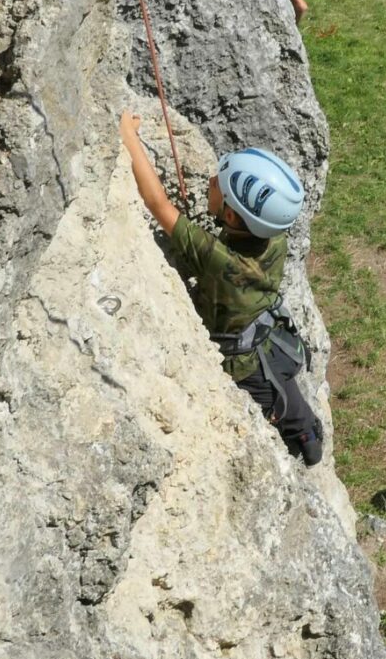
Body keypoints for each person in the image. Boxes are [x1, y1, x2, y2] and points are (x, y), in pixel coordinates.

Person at [119, 113, 323, 466]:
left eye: (218, 185)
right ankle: (303, 427)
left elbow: (158, 205)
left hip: (244, 362)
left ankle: (305, 438)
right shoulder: (273, 237)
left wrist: (128, 137)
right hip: (264, 331)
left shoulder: (222, 263)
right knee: (287, 394)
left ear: (230, 217)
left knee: (280, 405)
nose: (211, 181)